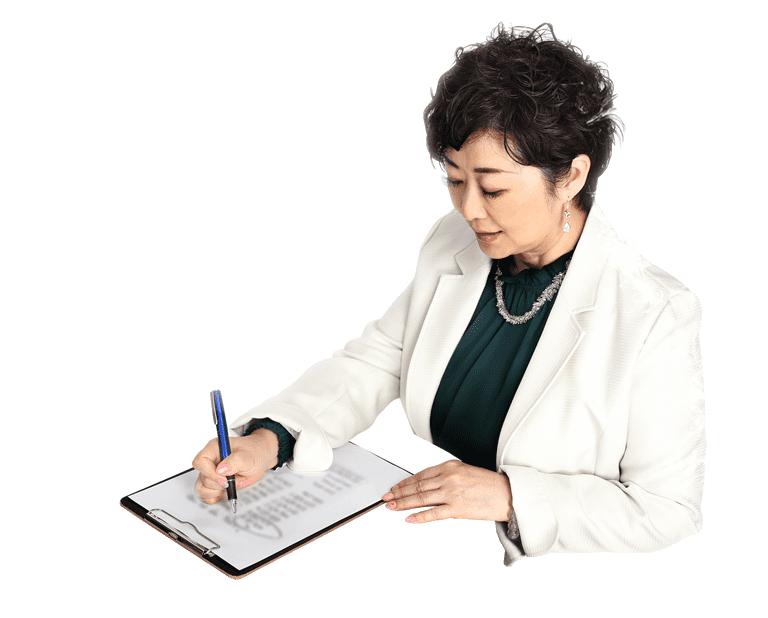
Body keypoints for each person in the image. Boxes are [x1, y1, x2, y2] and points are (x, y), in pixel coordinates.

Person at [192, 24, 705, 566]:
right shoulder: (454, 243)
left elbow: (668, 510)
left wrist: (509, 496)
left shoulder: (655, 314)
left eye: (493, 187)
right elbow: (378, 361)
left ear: (572, 176)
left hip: (536, 572)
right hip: (415, 544)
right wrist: (270, 440)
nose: (470, 209)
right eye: (456, 180)